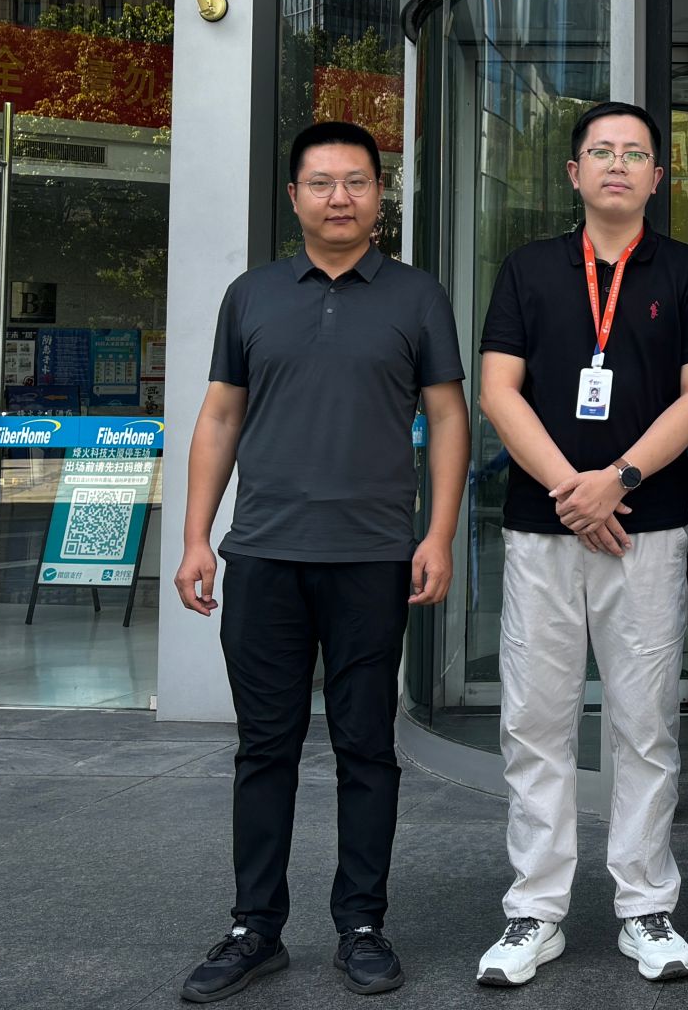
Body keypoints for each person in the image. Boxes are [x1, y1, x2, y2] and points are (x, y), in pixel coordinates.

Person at [174, 121, 469, 1002]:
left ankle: (362, 924)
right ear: (295, 196)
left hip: (373, 557)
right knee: (263, 748)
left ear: (381, 195)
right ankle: (253, 928)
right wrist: (195, 536)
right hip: (264, 553)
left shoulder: (417, 295)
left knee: (366, 746)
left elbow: (448, 418)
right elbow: (219, 416)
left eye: (357, 182)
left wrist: (438, 534)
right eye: (322, 183)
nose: (340, 197)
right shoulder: (251, 295)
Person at [472, 101, 688, 988]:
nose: (618, 164)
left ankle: (644, 905)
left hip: (647, 528)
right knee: (533, 721)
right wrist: (571, 493)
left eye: (635, 153)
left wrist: (615, 480)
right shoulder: (528, 268)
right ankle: (534, 911)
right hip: (541, 527)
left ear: (659, 176)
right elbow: (498, 391)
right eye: (601, 151)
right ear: (574, 172)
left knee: (644, 723)